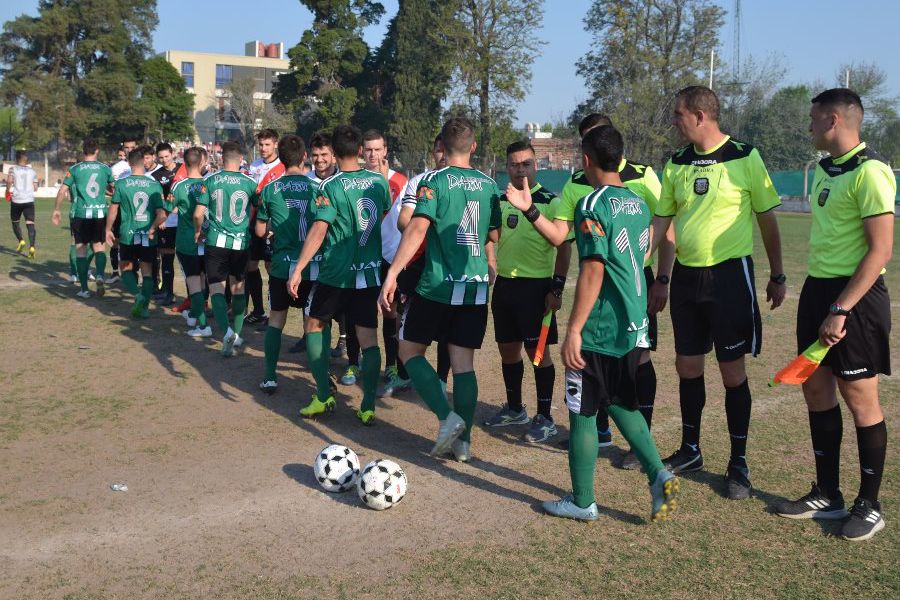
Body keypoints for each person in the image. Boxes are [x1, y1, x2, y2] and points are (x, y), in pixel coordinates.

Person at [526, 125, 679, 522]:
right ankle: (657, 471)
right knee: (618, 400)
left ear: (587, 160)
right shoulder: (637, 202)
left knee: (582, 410)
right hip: (632, 321)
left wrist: (574, 329)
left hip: (600, 326)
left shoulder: (592, 204)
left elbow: (593, 268)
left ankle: (582, 501)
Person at [646, 86, 785, 500]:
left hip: (729, 278)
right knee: (687, 366)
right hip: (687, 278)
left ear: (701, 115)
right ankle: (691, 449)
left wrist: (777, 274)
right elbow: (661, 223)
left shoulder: (744, 156)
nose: (674, 121)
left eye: (678, 114)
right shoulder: (676, 162)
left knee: (731, 371)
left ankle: (738, 462)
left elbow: (767, 220)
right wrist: (641, 263)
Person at [772, 88, 894, 541]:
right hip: (818, 290)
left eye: (812, 118)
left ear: (833, 120)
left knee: (859, 397)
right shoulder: (825, 170)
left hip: (855, 299)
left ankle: (870, 504)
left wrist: (842, 307)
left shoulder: (872, 172)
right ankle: (827, 493)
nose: (808, 127)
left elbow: (881, 248)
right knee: (816, 391)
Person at [379, 117, 501, 461]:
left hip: (436, 285)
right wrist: (490, 262)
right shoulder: (490, 185)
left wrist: (393, 274)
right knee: (464, 364)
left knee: (408, 352)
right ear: (473, 147)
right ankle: (464, 444)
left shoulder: (434, 181)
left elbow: (417, 228)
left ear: (442, 148)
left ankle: (447, 418)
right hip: (474, 287)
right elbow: (492, 236)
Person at [288, 125, 391, 424]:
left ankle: (323, 394)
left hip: (336, 274)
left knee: (314, 326)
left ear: (333, 152)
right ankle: (368, 404)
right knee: (369, 340)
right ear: (360, 151)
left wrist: (299, 267)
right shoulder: (378, 182)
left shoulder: (328, 187)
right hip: (369, 275)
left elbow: (319, 229)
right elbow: (381, 213)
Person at [482, 140, 570, 443]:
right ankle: (515, 408)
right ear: (506, 167)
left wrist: (556, 287)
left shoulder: (550, 201)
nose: (520, 169)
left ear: (536, 166)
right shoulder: (500, 199)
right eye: (514, 164)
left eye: (526, 164)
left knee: (538, 353)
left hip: (537, 288)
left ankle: (545, 417)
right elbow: (492, 236)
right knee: (508, 350)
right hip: (506, 286)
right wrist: (491, 260)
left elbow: (563, 248)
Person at [256, 135, 318, 392]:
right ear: (305, 157)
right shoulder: (319, 188)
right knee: (314, 323)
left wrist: (275, 226)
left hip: (282, 265)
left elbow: (260, 231)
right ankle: (321, 379)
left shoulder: (271, 189)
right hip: (312, 266)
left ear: (280, 160)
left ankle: (270, 376)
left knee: (276, 319)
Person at [395, 135, 453, 393]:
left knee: (448, 327)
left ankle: (441, 379)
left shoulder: (464, 183)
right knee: (404, 318)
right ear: (433, 152)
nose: (441, 155)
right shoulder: (420, 182)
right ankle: (405, 373)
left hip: (449, 266)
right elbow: (403, 220)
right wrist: (426, 232)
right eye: (438, 150)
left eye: (445, 150)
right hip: (418, 263)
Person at [193, 141, 258, 356]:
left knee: (216, 289)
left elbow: (197, 214)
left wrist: (198, 230)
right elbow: (258, 206)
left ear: (222, 159)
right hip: (240, 243)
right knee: (238, 287)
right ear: (241, 160)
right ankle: (237, 334)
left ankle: (227, 331)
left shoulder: (210, 180)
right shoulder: (250, 182)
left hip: (216, 242)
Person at [362, 129, 410, 396]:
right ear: (361, 152)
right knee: (362, 312)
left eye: (377, 149)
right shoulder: (356, 181)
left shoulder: (401, 182)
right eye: (368, 149)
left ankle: (392, 365)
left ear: (385, 151)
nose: (373, 154)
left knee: (391, 313)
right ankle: (355, 363)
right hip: (365, 258)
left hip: (392, 258)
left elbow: (403, 220)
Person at [289, 131, 341, 355]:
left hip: (336, 255)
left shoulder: (341, 182)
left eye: (324, 154)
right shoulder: (306, 182)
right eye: (315, 154)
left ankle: (344, 340)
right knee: (309, 298)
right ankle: (307, 336)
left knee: (338, 304)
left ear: (334, 156)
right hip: (311, 251)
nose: (319, 159)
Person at [105, 148, 167, 317]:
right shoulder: (155, 185)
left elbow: (113, 210)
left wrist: (107, 229)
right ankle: (145, 308)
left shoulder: (121, 184)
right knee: (147, 271)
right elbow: (161, 214)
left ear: (130, 163)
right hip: (147, 235)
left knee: (125, 268)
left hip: (128, 233)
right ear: (144, 163)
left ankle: (137, 295)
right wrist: (153, 227)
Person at [52, 139, 114, 298]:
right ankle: (100, 275)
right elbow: (114, 190)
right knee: (100, 248)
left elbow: (62, 191)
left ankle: (85, 290)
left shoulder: (74, 169)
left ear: (83, 151)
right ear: (97, 151)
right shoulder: (105, 169)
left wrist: (57, 209)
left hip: (81, 214)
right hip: (100, 214)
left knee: (81, 250)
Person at [165, 147, 211, 337]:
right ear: (202, 163)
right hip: (208, 241)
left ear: (184, 163)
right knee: (202, 281)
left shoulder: (178, 186)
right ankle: (193, 316)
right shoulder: (210, 183)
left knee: (193, 285)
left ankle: (202, 326)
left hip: (187, 241)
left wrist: (153, 226)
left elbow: (166, 210)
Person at [246, 128, 285, 326]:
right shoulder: (253, 166)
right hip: (254, 221)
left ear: (276, 144)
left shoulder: (282, 167)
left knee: (271, 268)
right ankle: (258, 310)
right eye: (261, 144)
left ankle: (273, 313)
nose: (263, 148)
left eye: (267, 144)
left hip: (272, 223)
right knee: (250, 266)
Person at [150, 142, 179, 305]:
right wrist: (161, 217)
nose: (164, 160)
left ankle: (193, 298)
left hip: (183, 221)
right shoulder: (156, 175)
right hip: (167, 222)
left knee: (184, 258)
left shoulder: (183, 169)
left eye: (167, 156)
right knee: (166, 256)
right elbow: (157, 200)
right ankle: (167, 291)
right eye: (161, 157)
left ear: (173, 154)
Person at [7, 150, 39, 258]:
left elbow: (9, 181)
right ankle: (32, 247)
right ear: (27, 160)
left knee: (15, 222)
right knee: (30, 224)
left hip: (17, 200)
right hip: (29, 200)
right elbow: (35, 188)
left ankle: (21, 240)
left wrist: (7, 191)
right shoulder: (33, 171)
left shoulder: (12, 169)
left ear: (16, 159)